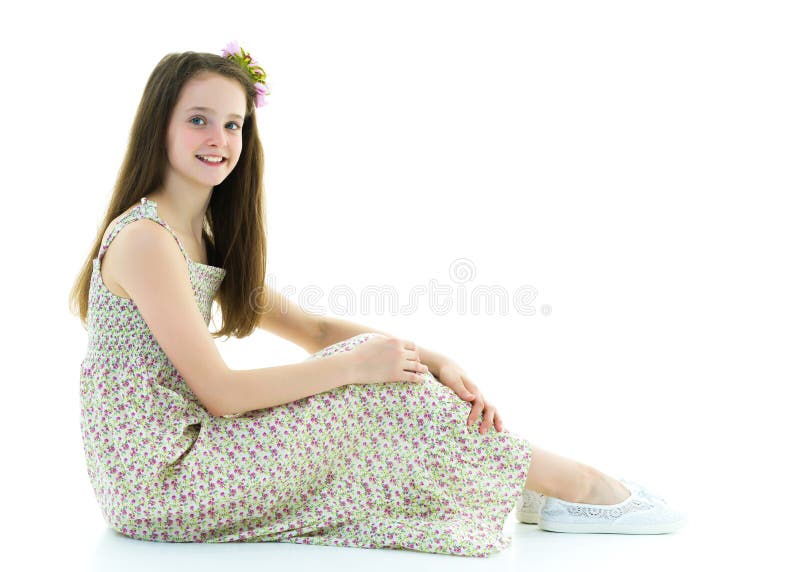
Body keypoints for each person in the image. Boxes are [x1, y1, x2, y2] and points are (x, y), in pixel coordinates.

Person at [69, 42, 687, 558]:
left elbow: (310, 328)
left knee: (376, 361)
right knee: (367, 381)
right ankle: (569, 484)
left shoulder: (199, 235)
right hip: (162, 479)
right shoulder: (146, 240)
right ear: (161, 124)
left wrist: (428, 355)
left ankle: (529, 480)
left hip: (192, 452)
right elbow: (221, 395)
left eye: (233, 124)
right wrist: (358, 368)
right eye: (198, 119)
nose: (220, 138)